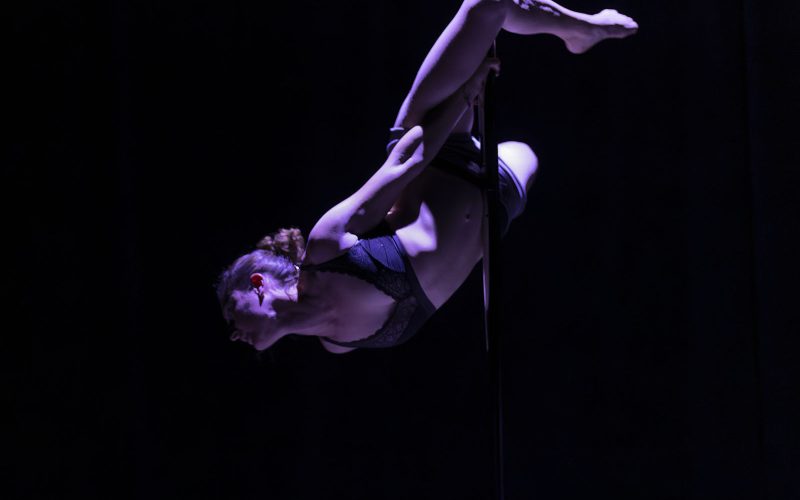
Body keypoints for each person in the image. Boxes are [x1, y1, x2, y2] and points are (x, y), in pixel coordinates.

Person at [215, 0, 638, 354]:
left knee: (487, 5)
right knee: (531, 153)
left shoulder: (325, 247)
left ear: (258, 285)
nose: (234, 334)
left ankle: (581, 29)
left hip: (442, 152)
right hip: (496, 197)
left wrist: (466, 94)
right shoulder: (337, 345)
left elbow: (405, 162)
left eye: (233, 315)